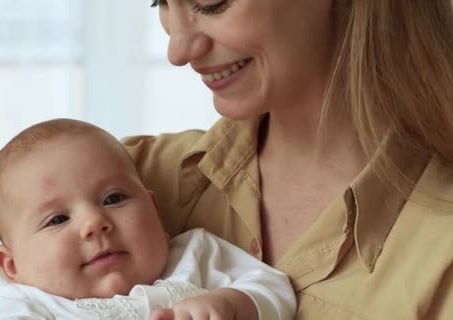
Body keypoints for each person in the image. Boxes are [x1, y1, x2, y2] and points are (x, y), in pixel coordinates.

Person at [121, 0, 453, 319]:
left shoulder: (441, 254)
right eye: (158, 1)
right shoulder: (122, 182)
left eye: (212, 2)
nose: (177, 52)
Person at [0, 118, 296, 320]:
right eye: (58, 219)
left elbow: (273, 286)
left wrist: (232, 303)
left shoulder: (194, 256)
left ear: (154, 210)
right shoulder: (24, 307)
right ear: (11, 266)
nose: (93, 222)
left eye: (114, 199)